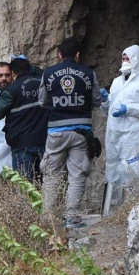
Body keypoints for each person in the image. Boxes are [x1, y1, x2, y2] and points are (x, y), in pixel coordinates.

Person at [38, 37, 102, 226]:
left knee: (51, 175)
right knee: (77, 174)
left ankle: (47, 219)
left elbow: (42, 101)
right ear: (77, 55)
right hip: (81, 132)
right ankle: (72, 218)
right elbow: (97, 100)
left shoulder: (48, 74)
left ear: (59, 55)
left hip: (56, 131)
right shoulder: (88, 73)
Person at [102, 45, 139, 209]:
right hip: (114, 133)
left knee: (133, 170)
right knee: (113, 171)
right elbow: (110, 108)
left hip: (134, 133)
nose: (125, 61)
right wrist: (105, 101)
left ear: (137, 59)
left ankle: (138, 206)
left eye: (128, 58)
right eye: (123, 58)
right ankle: (113, 210)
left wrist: (129, 109)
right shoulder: (116, 82)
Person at [0, 55, 47, 181]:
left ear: (13, 73)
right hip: (45, 143)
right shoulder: (43, 84)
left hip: (22, 146)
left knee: (26, 187)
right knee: (48, 185)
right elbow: (46, 74)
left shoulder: (12, 90)